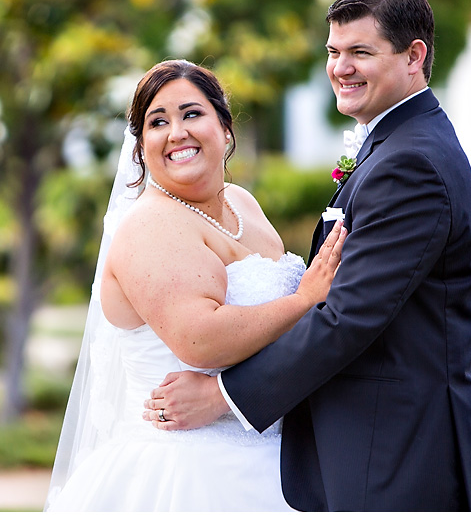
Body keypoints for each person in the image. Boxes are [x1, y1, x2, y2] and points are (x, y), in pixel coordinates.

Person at [143, 0, 471, 511]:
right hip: (369, 449)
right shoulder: (398, 145)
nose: (340, 68)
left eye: (360, 52)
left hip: (394, 454)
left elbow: (346, 318)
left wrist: (221, 397)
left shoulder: (410, 164)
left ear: (413, 56)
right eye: (333, 52)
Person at [45, 59, 347, 511]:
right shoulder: (150, 224)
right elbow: (201, 340)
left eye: (191, 114)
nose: (176, 132)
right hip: (188, 471)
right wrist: (305, 299)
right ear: (141, 146)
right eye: (157, 122)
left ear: (224, 129)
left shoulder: (242, 203)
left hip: (274, 454)